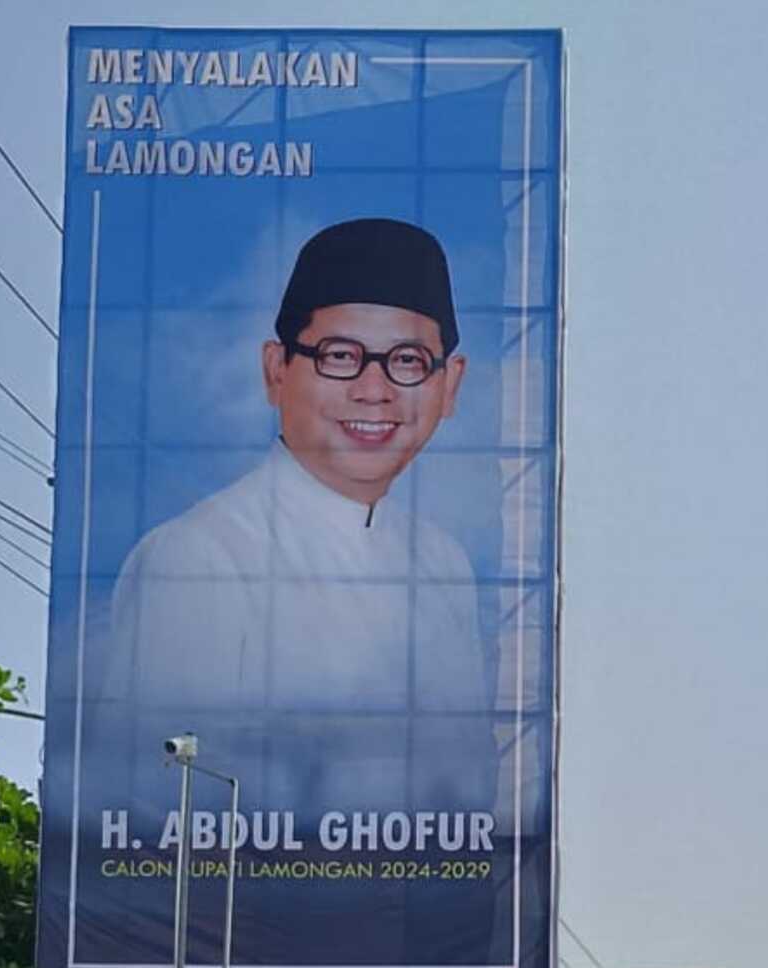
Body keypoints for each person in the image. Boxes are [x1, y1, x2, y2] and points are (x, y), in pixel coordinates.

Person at [99, 217, 494, 813]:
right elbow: (153, 803)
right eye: (340, 355)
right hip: (247, 903)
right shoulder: (199, 559)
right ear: (276, 369)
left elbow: (472, 791)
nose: (374, 389)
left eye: (408, 361)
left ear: (449, 384)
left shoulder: (444, 567)